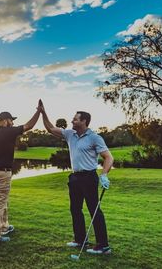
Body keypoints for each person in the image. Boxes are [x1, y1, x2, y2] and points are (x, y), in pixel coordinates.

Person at [38, 101, 114, 254]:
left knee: (94, 210)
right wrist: (43, 112)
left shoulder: (94, 137)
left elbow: (108, 157)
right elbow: (50, 128)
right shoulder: (69, 134)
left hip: (89, 177)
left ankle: (103, 245)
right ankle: (80, 240)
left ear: (84, 121)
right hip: (75, 178)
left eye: (75, 119)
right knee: (75, 209)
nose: (72, 121)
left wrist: (104, 174)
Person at [0, 101, 41, 242]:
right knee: (0, 203)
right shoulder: (9, 131)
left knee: (3, 200)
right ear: (6, 120)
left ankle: (4, 227)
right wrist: (39, 111)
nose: (12, 123)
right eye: (11, 120)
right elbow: (29, 126)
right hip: (2, 173)